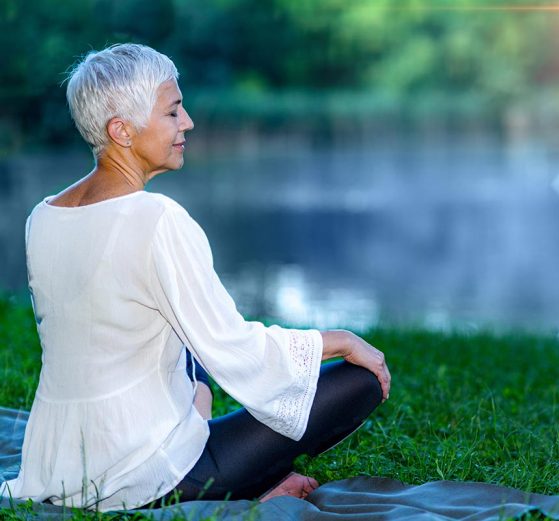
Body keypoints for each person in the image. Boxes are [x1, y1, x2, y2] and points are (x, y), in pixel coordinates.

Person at [0, 43, 390, 512]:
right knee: (360, 382)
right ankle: (243, 482)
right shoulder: (157, 217)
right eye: (173, 111)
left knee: (190, 350)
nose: (187, 123)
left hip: (60, 463)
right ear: (121, 131)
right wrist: (342, 339)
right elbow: (237, 350)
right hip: (146, 475)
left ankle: (231, 461)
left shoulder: (42, 216)